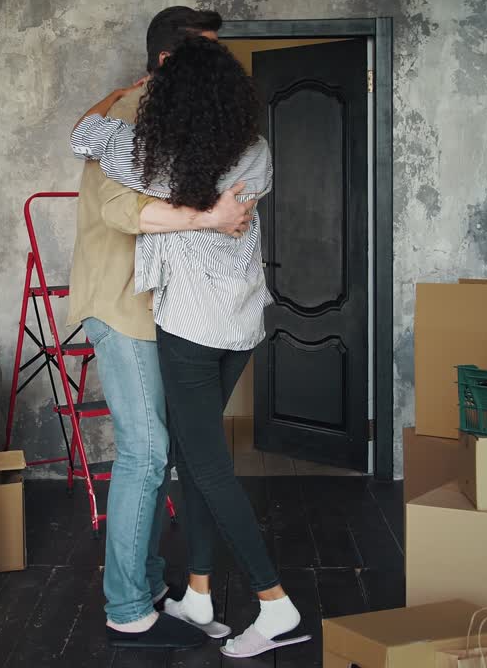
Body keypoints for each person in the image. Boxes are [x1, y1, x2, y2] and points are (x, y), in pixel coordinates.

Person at [70, 36, 310, 659]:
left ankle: (249, 600)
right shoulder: (253, 152)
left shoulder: (160, 154)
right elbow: (129, 207)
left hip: (184, 322)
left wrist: (109, 110)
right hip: (221, 319)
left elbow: (86, 136)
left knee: (186, 458)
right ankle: (175, 598)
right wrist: (210, 215)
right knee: (166, 453)